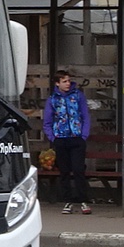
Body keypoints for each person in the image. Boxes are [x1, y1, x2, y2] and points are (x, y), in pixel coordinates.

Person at [43, 70, 92, 214]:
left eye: (68, 81)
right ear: (57, 83)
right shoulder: (52, 99)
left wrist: (83, 135)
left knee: (78, 169)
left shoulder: (78, 96)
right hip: (61, 139)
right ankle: (67, 201)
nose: (67, 84)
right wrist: (53, 137)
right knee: (64, 171)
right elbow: (47, 121)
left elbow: (85, 115)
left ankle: (83, 200)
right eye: (64, 81)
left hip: (76, 138)